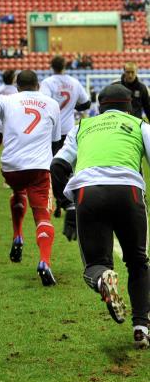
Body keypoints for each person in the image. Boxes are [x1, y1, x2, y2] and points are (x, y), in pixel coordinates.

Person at [51, 84, 150, 348]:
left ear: (99, 106)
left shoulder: (82, 127)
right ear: (129, 107)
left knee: (95, 265)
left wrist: (67, 205)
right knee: (138, 262)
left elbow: (57, 166)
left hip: (88, 193)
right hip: (129, 191)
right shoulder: (139, 125)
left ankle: (102, 278)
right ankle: (141, 328)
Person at [0, 70, 61, 286]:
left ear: (17, 86)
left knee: (18, 191)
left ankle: (17, 234)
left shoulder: (6, 100)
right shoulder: (51, 104)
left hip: (11, 168)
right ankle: (44, 262)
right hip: (38, 169)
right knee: (42, 215)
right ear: (38, 85)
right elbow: (56, 142)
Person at [40, 55, 90, 218]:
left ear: (51, 66)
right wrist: (72, 107)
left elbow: (44, 103)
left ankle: (59, 202)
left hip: (51, 131)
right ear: (65, 66)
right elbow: (86, 103)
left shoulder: (48, 83)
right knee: (68, 166)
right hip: (69, 130)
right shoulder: (74, 82)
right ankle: (70, 199)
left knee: (53, 166)